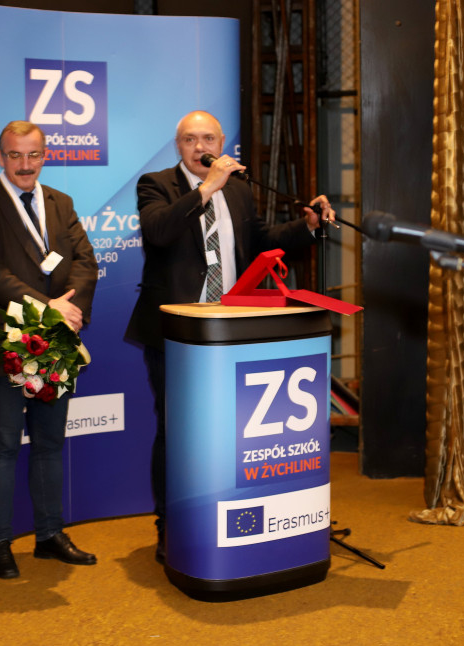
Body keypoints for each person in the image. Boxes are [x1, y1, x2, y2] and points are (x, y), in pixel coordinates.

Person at [124, 110, 335, 564]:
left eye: (208, 139)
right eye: (189, 140)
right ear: (178, 146)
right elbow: (158, 232)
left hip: (231, 330)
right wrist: (206, 188)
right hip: (177, 333)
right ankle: (170, 524)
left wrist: (307, 226)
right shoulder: (156, 184)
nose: (200, 147)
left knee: (227, 434)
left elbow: (258, 241)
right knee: (177, 431)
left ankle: (223, 515)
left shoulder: (238, 190)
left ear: (221, 143)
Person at [0, 120, 99, 580]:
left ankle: (49, 535)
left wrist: (68, 311)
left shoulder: (61, 202)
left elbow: (85, 261)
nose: (25, 164)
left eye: (33, 154)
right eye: (15, 155)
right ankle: (0, 542)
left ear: (45, 155)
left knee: (49, 444)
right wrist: (49, 308)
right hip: (6, 339)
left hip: (54, 341)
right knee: (2, 446)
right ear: (0, 157)